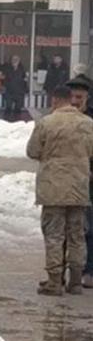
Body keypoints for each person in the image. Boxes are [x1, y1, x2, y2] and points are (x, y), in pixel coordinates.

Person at [26, 85, 93, 296]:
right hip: (79, 188)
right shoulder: (88, 123)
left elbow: (32, 151)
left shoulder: (47, 123)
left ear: (55, 100)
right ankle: (75, 281)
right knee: (77, 236)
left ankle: (54, 281)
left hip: (53, 188)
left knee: (54, 235)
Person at [67, 75, 93, 290]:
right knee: (69, 228)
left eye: (79, 97)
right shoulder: (62, 118)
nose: (75, 101)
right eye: (73, 97)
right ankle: (66, 273)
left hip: (89, 181)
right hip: (68, 181)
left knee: (90, 227)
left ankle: (89, 270)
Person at [1, 55, 27, 121]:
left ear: (19, 61)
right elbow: (2, 78)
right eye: (13, 59)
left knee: (18, 109)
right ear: (11, 60)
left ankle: (17, 122)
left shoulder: (22, 69)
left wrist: (25, 90)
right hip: (9, 92)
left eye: (16, 59)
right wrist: (4, 86)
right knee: (8, 107)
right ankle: (6, 121)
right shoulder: (7, 69)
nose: (15, 61)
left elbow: (25, 80)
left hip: (19, 92)